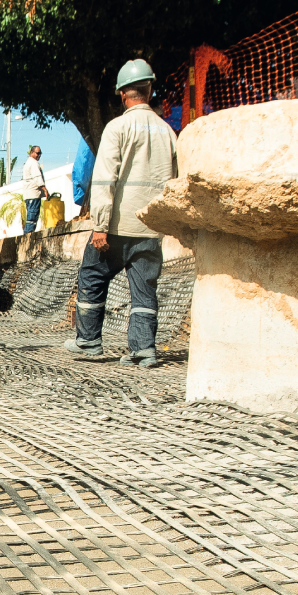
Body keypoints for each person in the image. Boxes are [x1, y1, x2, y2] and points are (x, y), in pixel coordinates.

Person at [65, 59, 176, 369]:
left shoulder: (117, 128)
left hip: (116, 227)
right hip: (151, 230)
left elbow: (103, 181)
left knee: (92, 273)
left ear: (122, 94)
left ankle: (88, 340)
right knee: (144, 290)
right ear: (149, 89)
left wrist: (99, 226)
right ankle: (144, 350)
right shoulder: (168, 132)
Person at [19, 145, 48, 232]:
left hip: (29, 195)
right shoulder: (33, 163)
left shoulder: (28, 163)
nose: (39, 155)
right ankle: (28, 236)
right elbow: (37, 178)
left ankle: (28, 235)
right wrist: (45, 190)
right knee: (32, 219)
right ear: (32, 153)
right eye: (37, 153)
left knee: (31, 218)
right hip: (33, 194)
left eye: (40, 154)